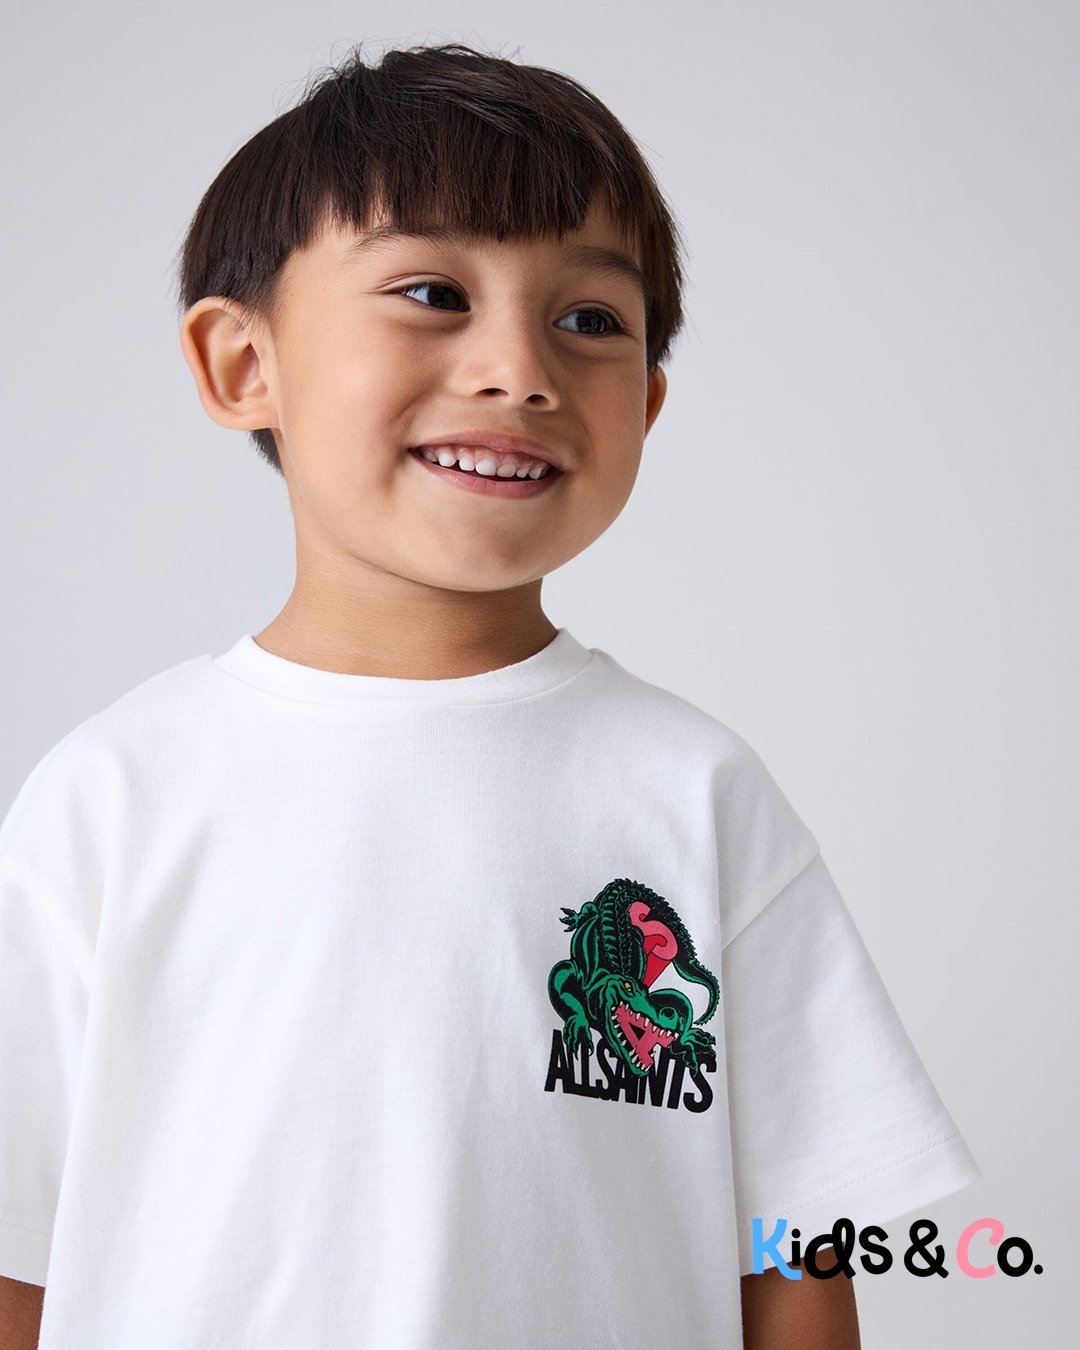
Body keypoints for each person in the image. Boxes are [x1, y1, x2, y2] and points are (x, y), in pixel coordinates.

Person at [0, 41, 978, 1350]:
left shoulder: (695, 792)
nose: (520, 369)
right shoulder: (114, 797)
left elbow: (799, 1232)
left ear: (650, 403)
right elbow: (18, 1247)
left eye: (591, 319)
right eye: (431, 292)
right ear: (242, 364)